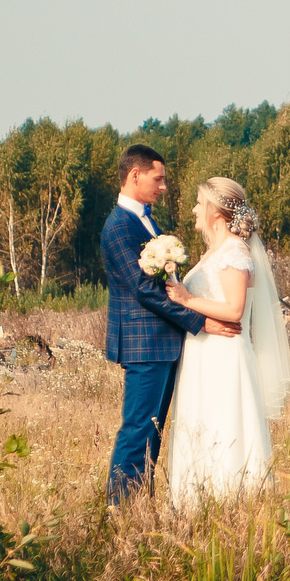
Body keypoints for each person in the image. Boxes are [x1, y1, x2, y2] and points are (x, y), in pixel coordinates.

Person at [101, 144, 236, 505]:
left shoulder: (145, 220)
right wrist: (201, 321)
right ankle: (119, 507)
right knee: (138, 429)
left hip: (161, 343)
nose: (163, 187)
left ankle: (139, 502)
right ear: (135, 175)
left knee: (153, 431)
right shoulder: (119, 226)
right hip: (142, 344)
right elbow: (144, 290)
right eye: (158, 179)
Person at [156, 176, 290, 509]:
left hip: (223, 355)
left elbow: (234, 310)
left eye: (198, 203)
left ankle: (228, 501)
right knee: (202, 425)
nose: (194, 209)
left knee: (224, 422)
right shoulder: (213, 252)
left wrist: (187, 299)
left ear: (215, 211)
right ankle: (195, 503)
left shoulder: (234, 251)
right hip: (203, 353)